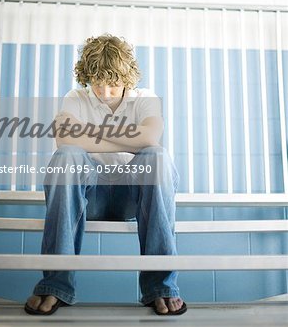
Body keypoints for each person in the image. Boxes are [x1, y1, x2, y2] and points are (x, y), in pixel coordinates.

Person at [24, 34, 187, 316]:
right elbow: (64, 140)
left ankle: (161, 287)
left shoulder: (145, 98)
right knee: (67, 157)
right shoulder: (75, 98)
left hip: (132, 196)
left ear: (127, 77)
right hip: (91, 195)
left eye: (113, 83)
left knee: (157, 156)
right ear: (87, 78)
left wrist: (88, 136)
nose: (106, 91)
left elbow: (150, 138)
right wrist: (130, 139)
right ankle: (55, 284)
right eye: (98, 83)